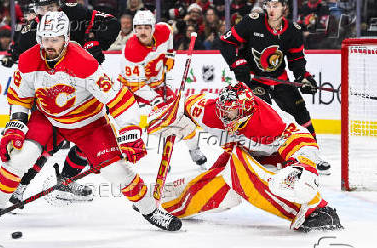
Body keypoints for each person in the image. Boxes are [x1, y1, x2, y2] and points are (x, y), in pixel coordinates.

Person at [0, 11, 182, 233]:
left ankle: (151, 210)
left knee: (117, 171)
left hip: (88, 124)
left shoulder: (84, 62)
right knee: (19, 157)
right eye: (45, 39)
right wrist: (15, 125)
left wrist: (130, 132)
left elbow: (120, 99)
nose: (49, 45)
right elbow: (20, 97)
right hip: (48, 119)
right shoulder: (28, 60)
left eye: (54, 39)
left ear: (66, 37)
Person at [148, 82, 343, 232]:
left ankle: (316, 210)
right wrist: (166, 117)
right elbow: (183, 104)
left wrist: (301, 166)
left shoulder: (268, 122)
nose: (225, 116)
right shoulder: (209, 110)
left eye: (231, 112)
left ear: (246, 110)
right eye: (223, 110)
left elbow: (299, 138)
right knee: (224, 196)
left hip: (275, 158)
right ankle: (166, 202)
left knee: (281, 183)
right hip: (239, 153)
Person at [2, 0, 121, 206]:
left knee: (88, 140)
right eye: (41, 8)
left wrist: (94, 44)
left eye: (50, 7)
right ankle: (19, 187)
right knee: (43, 145)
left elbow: (112, 23)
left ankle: (66, 181)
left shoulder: (76, 14)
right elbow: (23, 52)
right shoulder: (33, 28)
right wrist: (11, 54)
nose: (45, 13)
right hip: (49, 97)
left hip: (83, 91)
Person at [219, 0, 331, 173]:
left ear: (284, 8)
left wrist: (304, 78)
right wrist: (237, 63)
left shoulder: (293, 30)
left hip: (279, 79)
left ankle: (313, 155)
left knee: (300, 112)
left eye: (276, 6)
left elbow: (296, 60)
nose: (272, 10)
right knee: (262, 116)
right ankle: (258, 155)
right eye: (269, 5)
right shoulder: (252, 21)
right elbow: (226, 42)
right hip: (255, 80)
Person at [118, 10, 208, 168]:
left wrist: (170, 54)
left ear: (153, 28)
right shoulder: (131, 50)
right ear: (134, 29)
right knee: (148, 123)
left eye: (146, 27)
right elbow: (136, 84)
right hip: (132, 88)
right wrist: (155, 99)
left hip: (158, 85)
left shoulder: (164, 30)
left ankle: (194, 149)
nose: (143, 31)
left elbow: (169, 32)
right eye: (139, 28)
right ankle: (129, 154)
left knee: (182, 117)